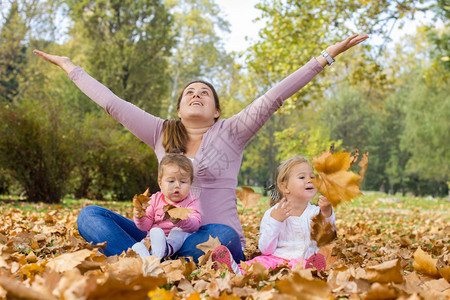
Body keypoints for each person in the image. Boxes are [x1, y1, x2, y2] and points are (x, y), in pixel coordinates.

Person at [33, 33, 368, 263]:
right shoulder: (160, 132)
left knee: (223, 236)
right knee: (90, 215)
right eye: (189, 92)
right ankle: (149, 258)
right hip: (159, 233)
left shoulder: (233, 131)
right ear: (179, 109)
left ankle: (148, 260)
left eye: (204, 93)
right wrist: (69, 67)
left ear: (217, 110)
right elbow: (112, 104)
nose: (196, 95)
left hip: (209, 235)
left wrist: (325, 57)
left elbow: (275, 96)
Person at [212, 156, 335, 274]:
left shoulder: (316, 212)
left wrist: (327, 212)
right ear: (285, 187)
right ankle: (234, 270)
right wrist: (276, 221)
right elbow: (266, 249)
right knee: (258, 264)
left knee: (310, 265)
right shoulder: (272, 214)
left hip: (305, 260)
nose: (310, 180)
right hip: (275, 259)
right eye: (302, 177)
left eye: (312, 176)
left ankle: (313, 271)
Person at [131, 154, 201, 259]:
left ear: (190, 183)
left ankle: (166, 250)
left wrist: (181, 221)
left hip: (176, 242)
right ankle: (149, 260)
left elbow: (196, 224)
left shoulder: (191, 201)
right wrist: (140, 216)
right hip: (154, 239)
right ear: (160, 183)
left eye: (183, 181)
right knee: (140, 245)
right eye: (171, 181)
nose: (177, 185)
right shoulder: (155, 199)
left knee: (178, 232)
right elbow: (145, 226)